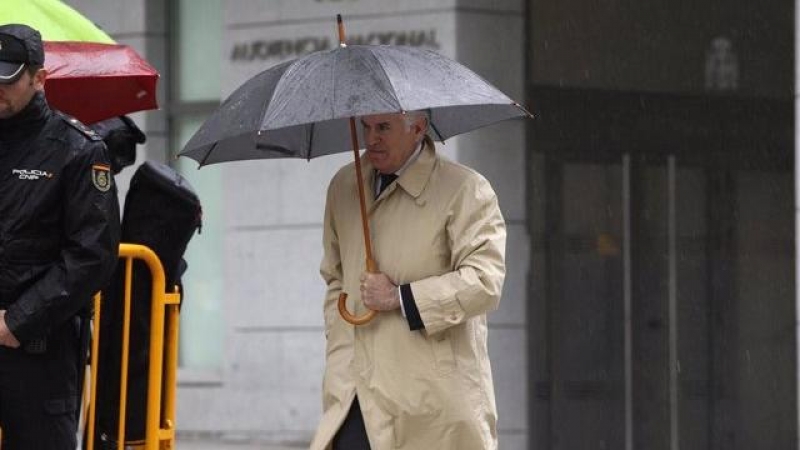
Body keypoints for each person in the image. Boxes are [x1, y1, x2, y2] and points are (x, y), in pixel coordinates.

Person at [311, 110, 506, 449]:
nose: (371, 139)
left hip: (431, 400)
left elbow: (485, 281)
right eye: (366, 127)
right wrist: (339, 343)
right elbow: (335, 277)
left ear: (418, 128)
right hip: (354, 394)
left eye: (383, 127)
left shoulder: (465, 189)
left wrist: (400, 297)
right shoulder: (344, 186)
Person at [0, 24, 120, 448]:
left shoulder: (78, 149)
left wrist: (17, 321)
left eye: (7, 76)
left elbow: (92, 255)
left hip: (38, 350)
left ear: (38, 78)